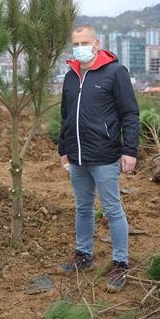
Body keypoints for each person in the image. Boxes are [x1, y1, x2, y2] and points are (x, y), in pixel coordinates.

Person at [57, 24, 139, 292]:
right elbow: (65, 116)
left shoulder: (115, 72)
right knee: (82, 207)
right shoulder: (71, 76)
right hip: (77, 157)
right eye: (75, 43)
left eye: (84, 42)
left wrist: (129, 150)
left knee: (113, 209)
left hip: (105, 156)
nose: (79, 47)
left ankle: (120, 263)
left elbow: (129, 113)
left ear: (96, 43)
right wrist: (63, 149)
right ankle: (83, 254)